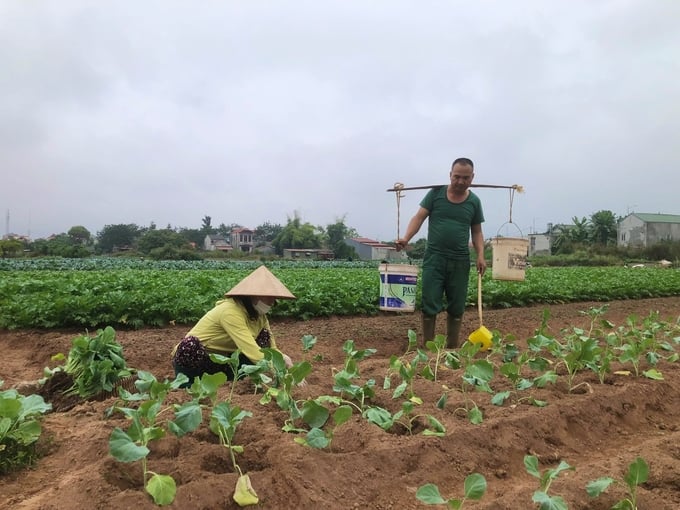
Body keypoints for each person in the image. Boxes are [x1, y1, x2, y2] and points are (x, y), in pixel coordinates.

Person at [395, 157, 487, 348]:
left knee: (457, 304)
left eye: (465, 178)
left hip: (460, 260)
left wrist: (480, 255)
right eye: (457, 177)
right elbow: (419, 217)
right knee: (430, 301)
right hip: (434, 258)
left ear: (472, 178)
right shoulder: (435, 194)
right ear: (450, 175)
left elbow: (476, 231)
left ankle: (452, 346)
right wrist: (406, 238)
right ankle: (429, 348)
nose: (460, 181)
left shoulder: (474, 202)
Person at [171, 265, 299, 386]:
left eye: (274, 297)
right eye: (268, 296)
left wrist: (284, 359)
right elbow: (252, 351)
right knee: (190, 345)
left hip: (224, 361)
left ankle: (239, 380)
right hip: (201, 359)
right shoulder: (230, 312)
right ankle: (186, 384)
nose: (272, 301)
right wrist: (282, 376)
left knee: (263, 336)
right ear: (252, 295)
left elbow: (272, 349)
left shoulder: (260, 317)